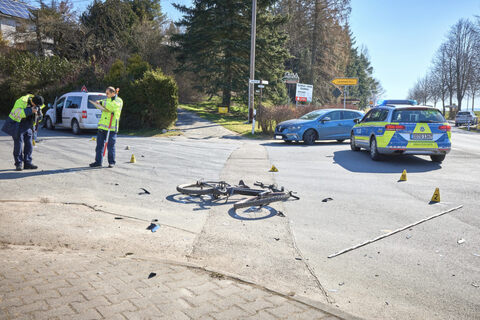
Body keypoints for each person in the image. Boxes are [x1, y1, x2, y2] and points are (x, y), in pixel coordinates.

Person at [1, 94, 44, 171]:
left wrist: (39, 116)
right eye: (36, 106)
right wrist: (30, 110)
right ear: (33, 102)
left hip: (28, 126)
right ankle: (18, 164)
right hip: (17, 124)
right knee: (19, 145)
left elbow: (39, 119)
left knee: (29, 144)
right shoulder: (22, 101)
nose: (37, 107)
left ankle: (27, 163)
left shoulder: (38, 105)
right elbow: (16, 113)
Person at [89, 87, 123, 168]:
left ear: (113, 93)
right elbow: (102, 103)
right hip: (102, 127)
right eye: (106, 93)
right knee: (99, 146)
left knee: (110, 146)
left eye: (107, 93)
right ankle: (98, 162)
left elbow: (112, 107)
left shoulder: (118, 101)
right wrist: (98, 103)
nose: (106, 95)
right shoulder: (107, 99)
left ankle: (111, 162)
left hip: (111, 128)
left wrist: (101, 103)